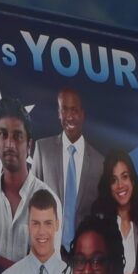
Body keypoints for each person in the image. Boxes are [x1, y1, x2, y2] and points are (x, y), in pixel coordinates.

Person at [0, 101, 51, 263]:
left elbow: (44, 271)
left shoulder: (49, 200)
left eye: (18, 136)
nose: (10, 144)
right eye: (3, 134)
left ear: (29, 144)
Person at [31, 89, 102, 231]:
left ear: (82, 114)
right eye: (64, 110)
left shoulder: (99, 162)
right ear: (59, 112)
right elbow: (31, 199)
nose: (69, 117)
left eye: (74, 110)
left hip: (83, 242)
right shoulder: (42, 149)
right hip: (47, 240)